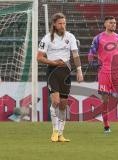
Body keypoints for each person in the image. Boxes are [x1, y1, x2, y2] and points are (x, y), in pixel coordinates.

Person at [37, 13, 83, 142]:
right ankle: (54, 132)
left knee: (63, 104)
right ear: (54, 24)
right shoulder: (47, 38)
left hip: (66, 72)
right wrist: (54, 63)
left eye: (64, 23)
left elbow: (75, 54)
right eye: (60, 23)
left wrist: (79, 71)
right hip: (53, 72)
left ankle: (61, 134)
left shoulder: (70, 37)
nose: (63, 26)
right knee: (56, 101)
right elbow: (39, 57)